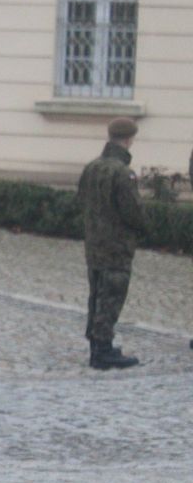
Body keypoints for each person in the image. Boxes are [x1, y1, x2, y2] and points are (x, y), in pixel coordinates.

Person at [77, 117, 145, 370]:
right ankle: (103, 351)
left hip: (94, 243)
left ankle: (96, 344)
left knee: (96, 293)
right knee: (112, 295)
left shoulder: (92, 167)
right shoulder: (122, 172)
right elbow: (133, 213)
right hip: (116, 245)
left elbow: (81, 199)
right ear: (128, 140)